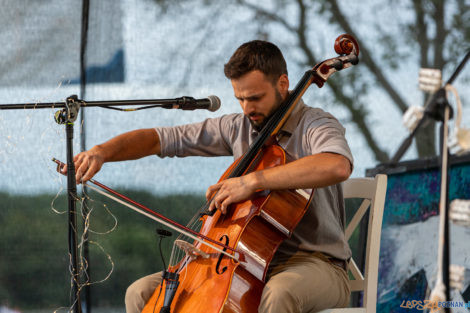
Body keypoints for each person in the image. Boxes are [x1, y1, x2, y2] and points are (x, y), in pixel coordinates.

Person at [65, 40, 353, 313]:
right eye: (239, 99)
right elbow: (160, 139)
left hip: (314, 264)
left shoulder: (316, 123)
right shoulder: (239, 126)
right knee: (141, 293)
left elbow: (336, 165)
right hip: (240, 259)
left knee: (280, 293)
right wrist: (102, 152)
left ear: (283, 84)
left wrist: (252, 181)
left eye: (255, 98)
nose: (247, 109)